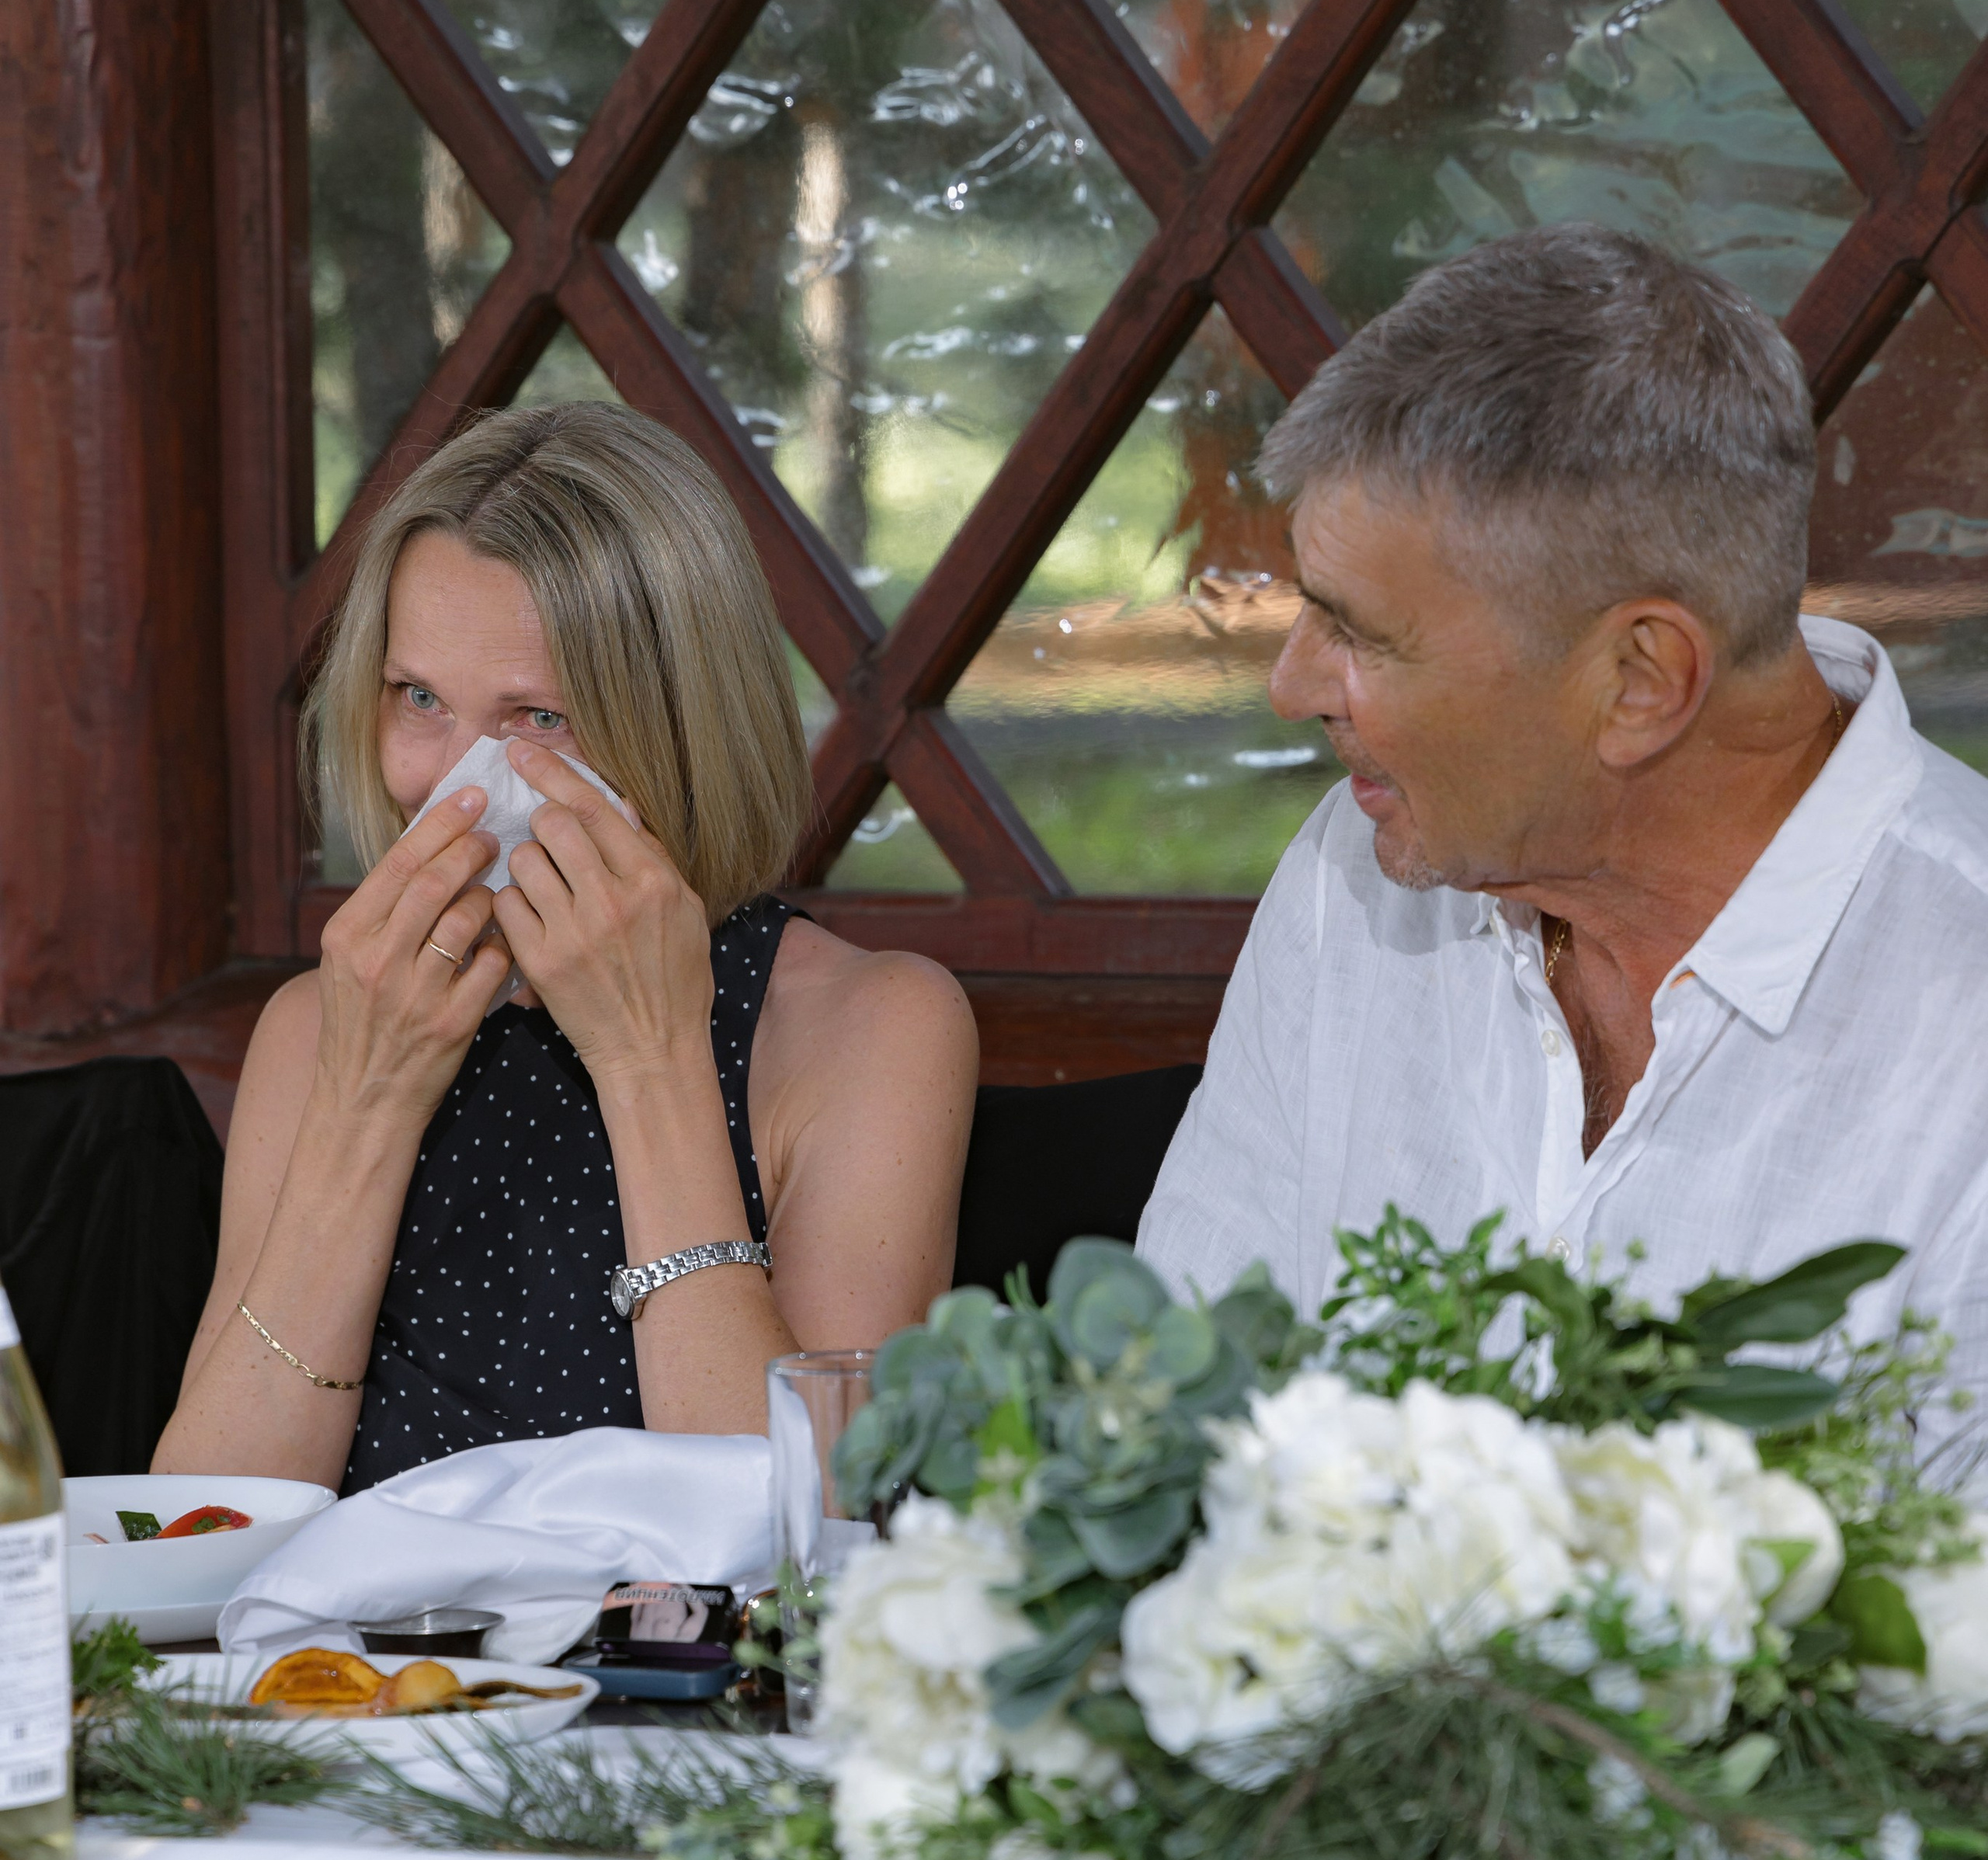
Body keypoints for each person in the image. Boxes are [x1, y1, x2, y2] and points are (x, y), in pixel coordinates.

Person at [1138, 225, 1988, 1477]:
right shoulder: (1349, 881)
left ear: (1642, 680)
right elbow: (1159, 1440)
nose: (1291, 684)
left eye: (1358, 632)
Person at [155, 403, 978, 1490]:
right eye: (420, 698)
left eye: (540, 717)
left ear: (682, 725)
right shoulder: (316, 1027)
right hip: (373, 1664)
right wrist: (365, 1103)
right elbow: (205, 1524)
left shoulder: (871, 1027)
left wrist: (649, 1060)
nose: (461, 784)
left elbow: (814, 1526)